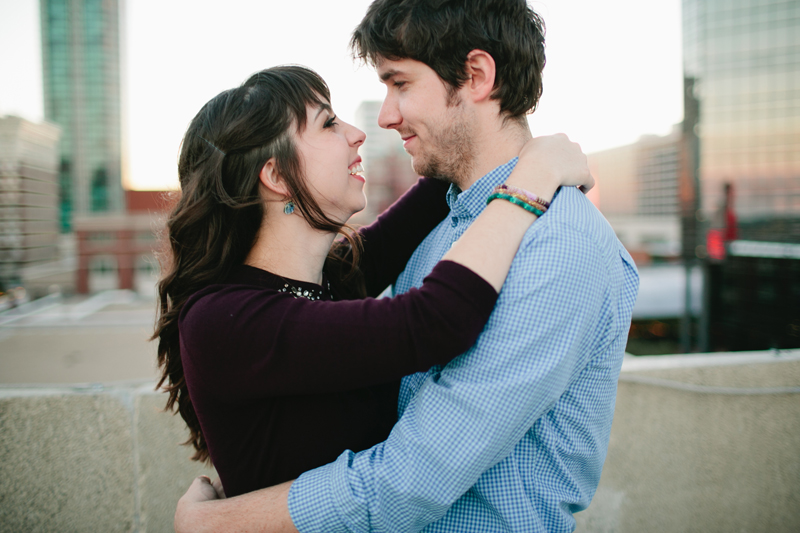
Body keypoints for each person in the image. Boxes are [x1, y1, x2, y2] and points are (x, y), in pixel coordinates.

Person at [174, 1, 639, 531]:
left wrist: (220, 522)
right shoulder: (237, 314)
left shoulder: (556, 243)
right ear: (276, 176)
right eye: (328, 124)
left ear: (477, 76)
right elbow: (432, 316)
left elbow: (411, 477)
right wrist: (529, 178)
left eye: (399, 84)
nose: (377, 121)